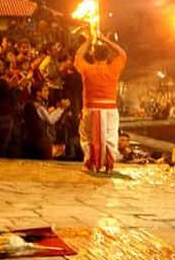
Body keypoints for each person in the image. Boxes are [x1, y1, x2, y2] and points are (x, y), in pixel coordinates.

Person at [75, 34, 127, 173]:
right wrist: (106, 40)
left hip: (90, 108)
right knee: (110, 136)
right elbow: (122, 53)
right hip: (110, 108)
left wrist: (88, 41)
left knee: (88, 137)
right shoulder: (113, 68)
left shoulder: (87, 69)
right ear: (108, 55)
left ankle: (90, 163)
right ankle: (109, 166)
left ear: (93, 55)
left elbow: (78, 56)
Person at [22, 83, 69, 160]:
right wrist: (61, 108)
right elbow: (50, 120)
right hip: (40, 142)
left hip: (31, 140)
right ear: (38, 93)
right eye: (45, 91)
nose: (48, 93)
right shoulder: (38, 106)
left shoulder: (31, 103)